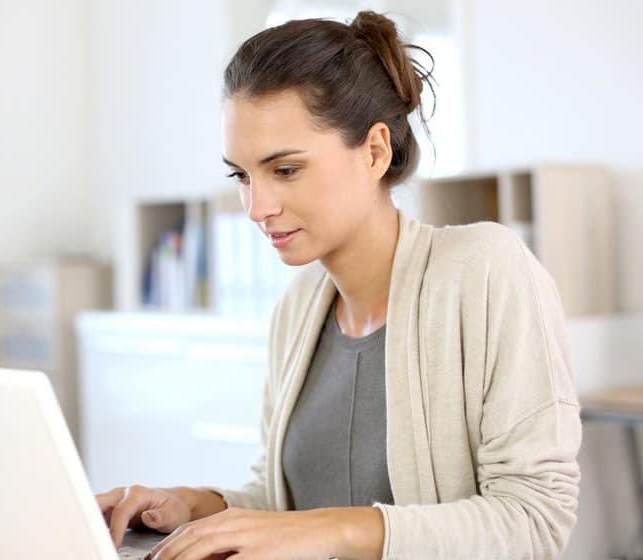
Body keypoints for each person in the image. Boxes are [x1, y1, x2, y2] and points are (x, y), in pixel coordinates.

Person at [96, 10, 582, 559]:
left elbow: (535, 521)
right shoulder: (299, 307)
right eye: (242, 175)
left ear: (375, 152)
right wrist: (194, 503)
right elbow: (283, 503)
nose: (258, 207)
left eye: (285, 170)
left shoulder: (485, 270)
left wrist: (334, 529)